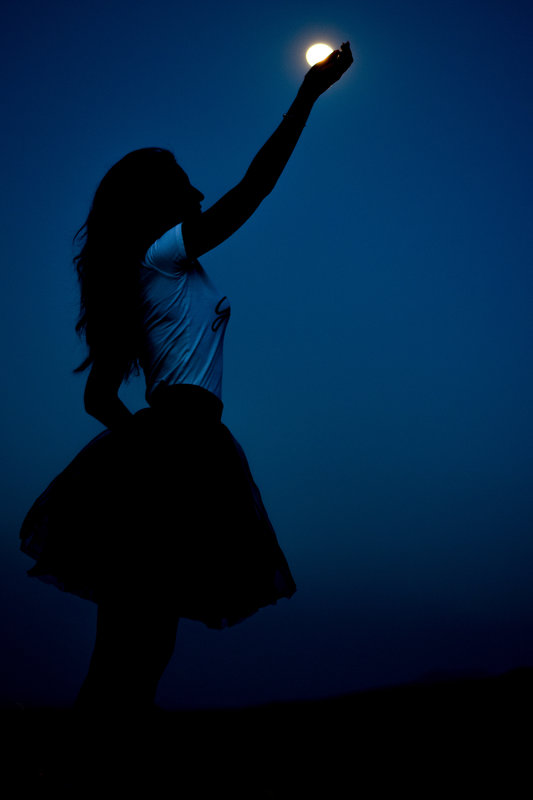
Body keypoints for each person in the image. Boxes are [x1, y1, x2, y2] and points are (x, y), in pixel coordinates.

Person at [19, 43, 354, 716]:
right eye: (180, 179)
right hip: (175, 447)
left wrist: (144, 448)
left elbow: (98, 398)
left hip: (175, 449)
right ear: (155, 199)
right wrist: (306, 97)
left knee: (141, 643)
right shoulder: (161, 256)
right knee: (134, 644)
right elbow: (252, 190)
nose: (193, 187)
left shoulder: (147, 271)